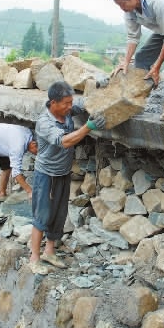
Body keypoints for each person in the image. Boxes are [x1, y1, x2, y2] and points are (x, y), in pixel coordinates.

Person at [29, 81, 105, 275]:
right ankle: (34, 258)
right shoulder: (45, 122)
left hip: (63, 173)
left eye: (71, 102)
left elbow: (85, 102)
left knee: (59, 214)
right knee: (42, 216)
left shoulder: (67, 111)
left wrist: (102, 88)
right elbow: (64, 141)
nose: (70, 106)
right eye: (66, 103)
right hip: (46, 175)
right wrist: (89, 126)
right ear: (53, 103)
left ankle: (49, 251)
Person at [0, 123, 38, 215]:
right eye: (39, 151)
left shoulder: (29, 134)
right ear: (33, 144)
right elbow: (16, 173)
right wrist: (29, 191)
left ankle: (2, 194)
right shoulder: (18, 146)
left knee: (7, 168)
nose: (38, 154)